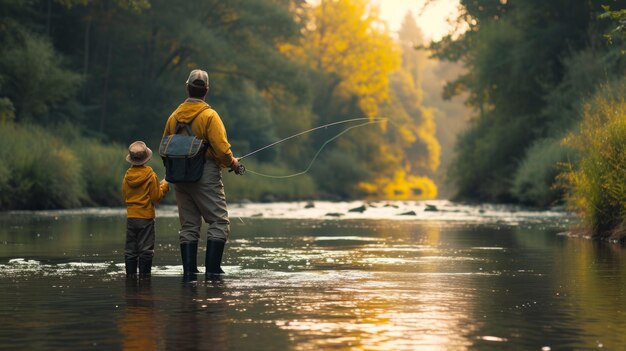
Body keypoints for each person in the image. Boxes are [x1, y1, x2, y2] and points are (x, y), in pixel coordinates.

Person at [162, 69, 240, 279]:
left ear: (187, 88)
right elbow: (223, 151)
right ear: (206, 90)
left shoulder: (173, 117)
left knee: (189, 225)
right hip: (205, 173)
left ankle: (189, 274)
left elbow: (165, 145)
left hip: (178, 174)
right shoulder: (209, 116)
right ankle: (213, 273)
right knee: (218, 222)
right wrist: (233, 163)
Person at [122, 141, 170, 277]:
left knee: (130, 251)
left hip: (131, 217)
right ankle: (145, 281)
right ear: (146, 158)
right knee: (146, 251)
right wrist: (165, 185)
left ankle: (130, 280)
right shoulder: (150, 175)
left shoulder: (127, 176)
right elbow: (156, 197)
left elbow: (125, 194)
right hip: (146, 218)